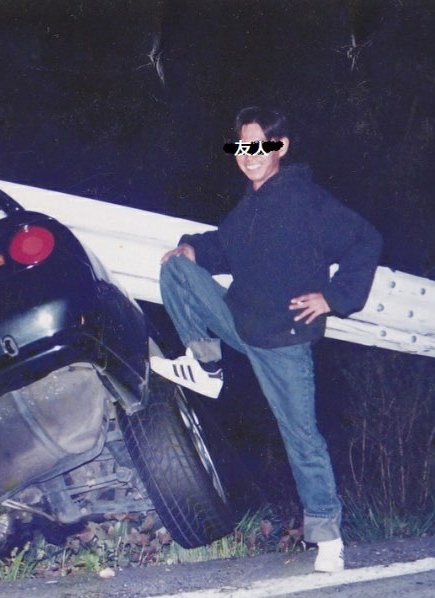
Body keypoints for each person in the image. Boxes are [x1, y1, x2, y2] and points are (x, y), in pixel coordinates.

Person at [150, 106, 382, 572]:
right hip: (241, 321)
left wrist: (334, 298)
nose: (250, 155)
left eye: (260, 145)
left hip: (284, 338)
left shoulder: (306, 201)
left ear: (280, 147)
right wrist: (194, 247)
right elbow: (223, 244)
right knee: (175, 267)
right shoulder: (250, 205)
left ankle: (328, 536)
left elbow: (365, 241)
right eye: (242, 146)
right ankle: (206, 364)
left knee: (301, 437)